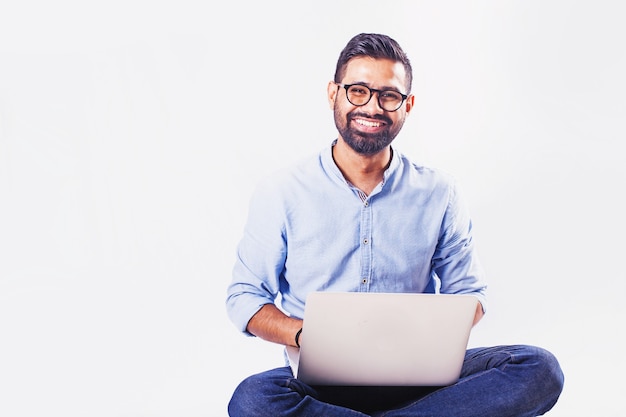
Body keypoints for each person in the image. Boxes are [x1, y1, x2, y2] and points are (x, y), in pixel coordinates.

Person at [225, 33, 564, 417]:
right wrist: (308, 335)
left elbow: (469, 291)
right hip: (319, 384)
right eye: (358, 91)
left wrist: (427, 338)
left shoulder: (439, 192)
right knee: (253, 399)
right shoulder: (283, 191)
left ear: (408, 105)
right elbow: (245, 299)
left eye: (389, 95)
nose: (372, 107)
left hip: (422, 381)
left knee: (538, 369)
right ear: (333, 93)